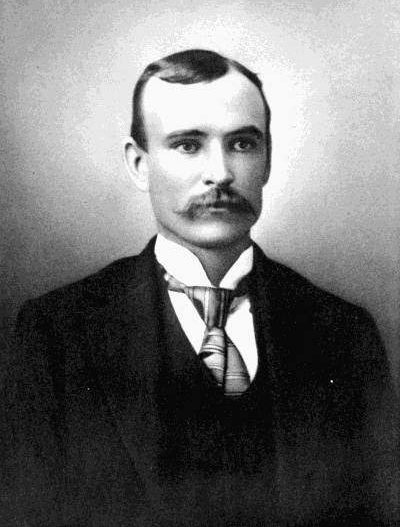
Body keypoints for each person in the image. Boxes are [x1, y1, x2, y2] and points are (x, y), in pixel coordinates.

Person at [2, 49, 397, 526]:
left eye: (242, 144)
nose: (221, 173)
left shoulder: (344, 334)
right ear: (139, 164)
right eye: (188, 145)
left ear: (268, 160)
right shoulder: (57, 333)